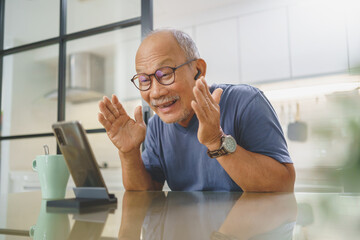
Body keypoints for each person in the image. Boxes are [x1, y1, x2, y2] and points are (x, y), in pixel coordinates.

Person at [98, 29, 295, 192]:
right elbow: (146, 193)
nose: (156, 92)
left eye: (165, 74)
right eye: (144, 80)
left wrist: (216, 141)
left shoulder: (246, 101)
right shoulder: (157, 126)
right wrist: (129, 153)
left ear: (198, 70)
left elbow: (283, 183)